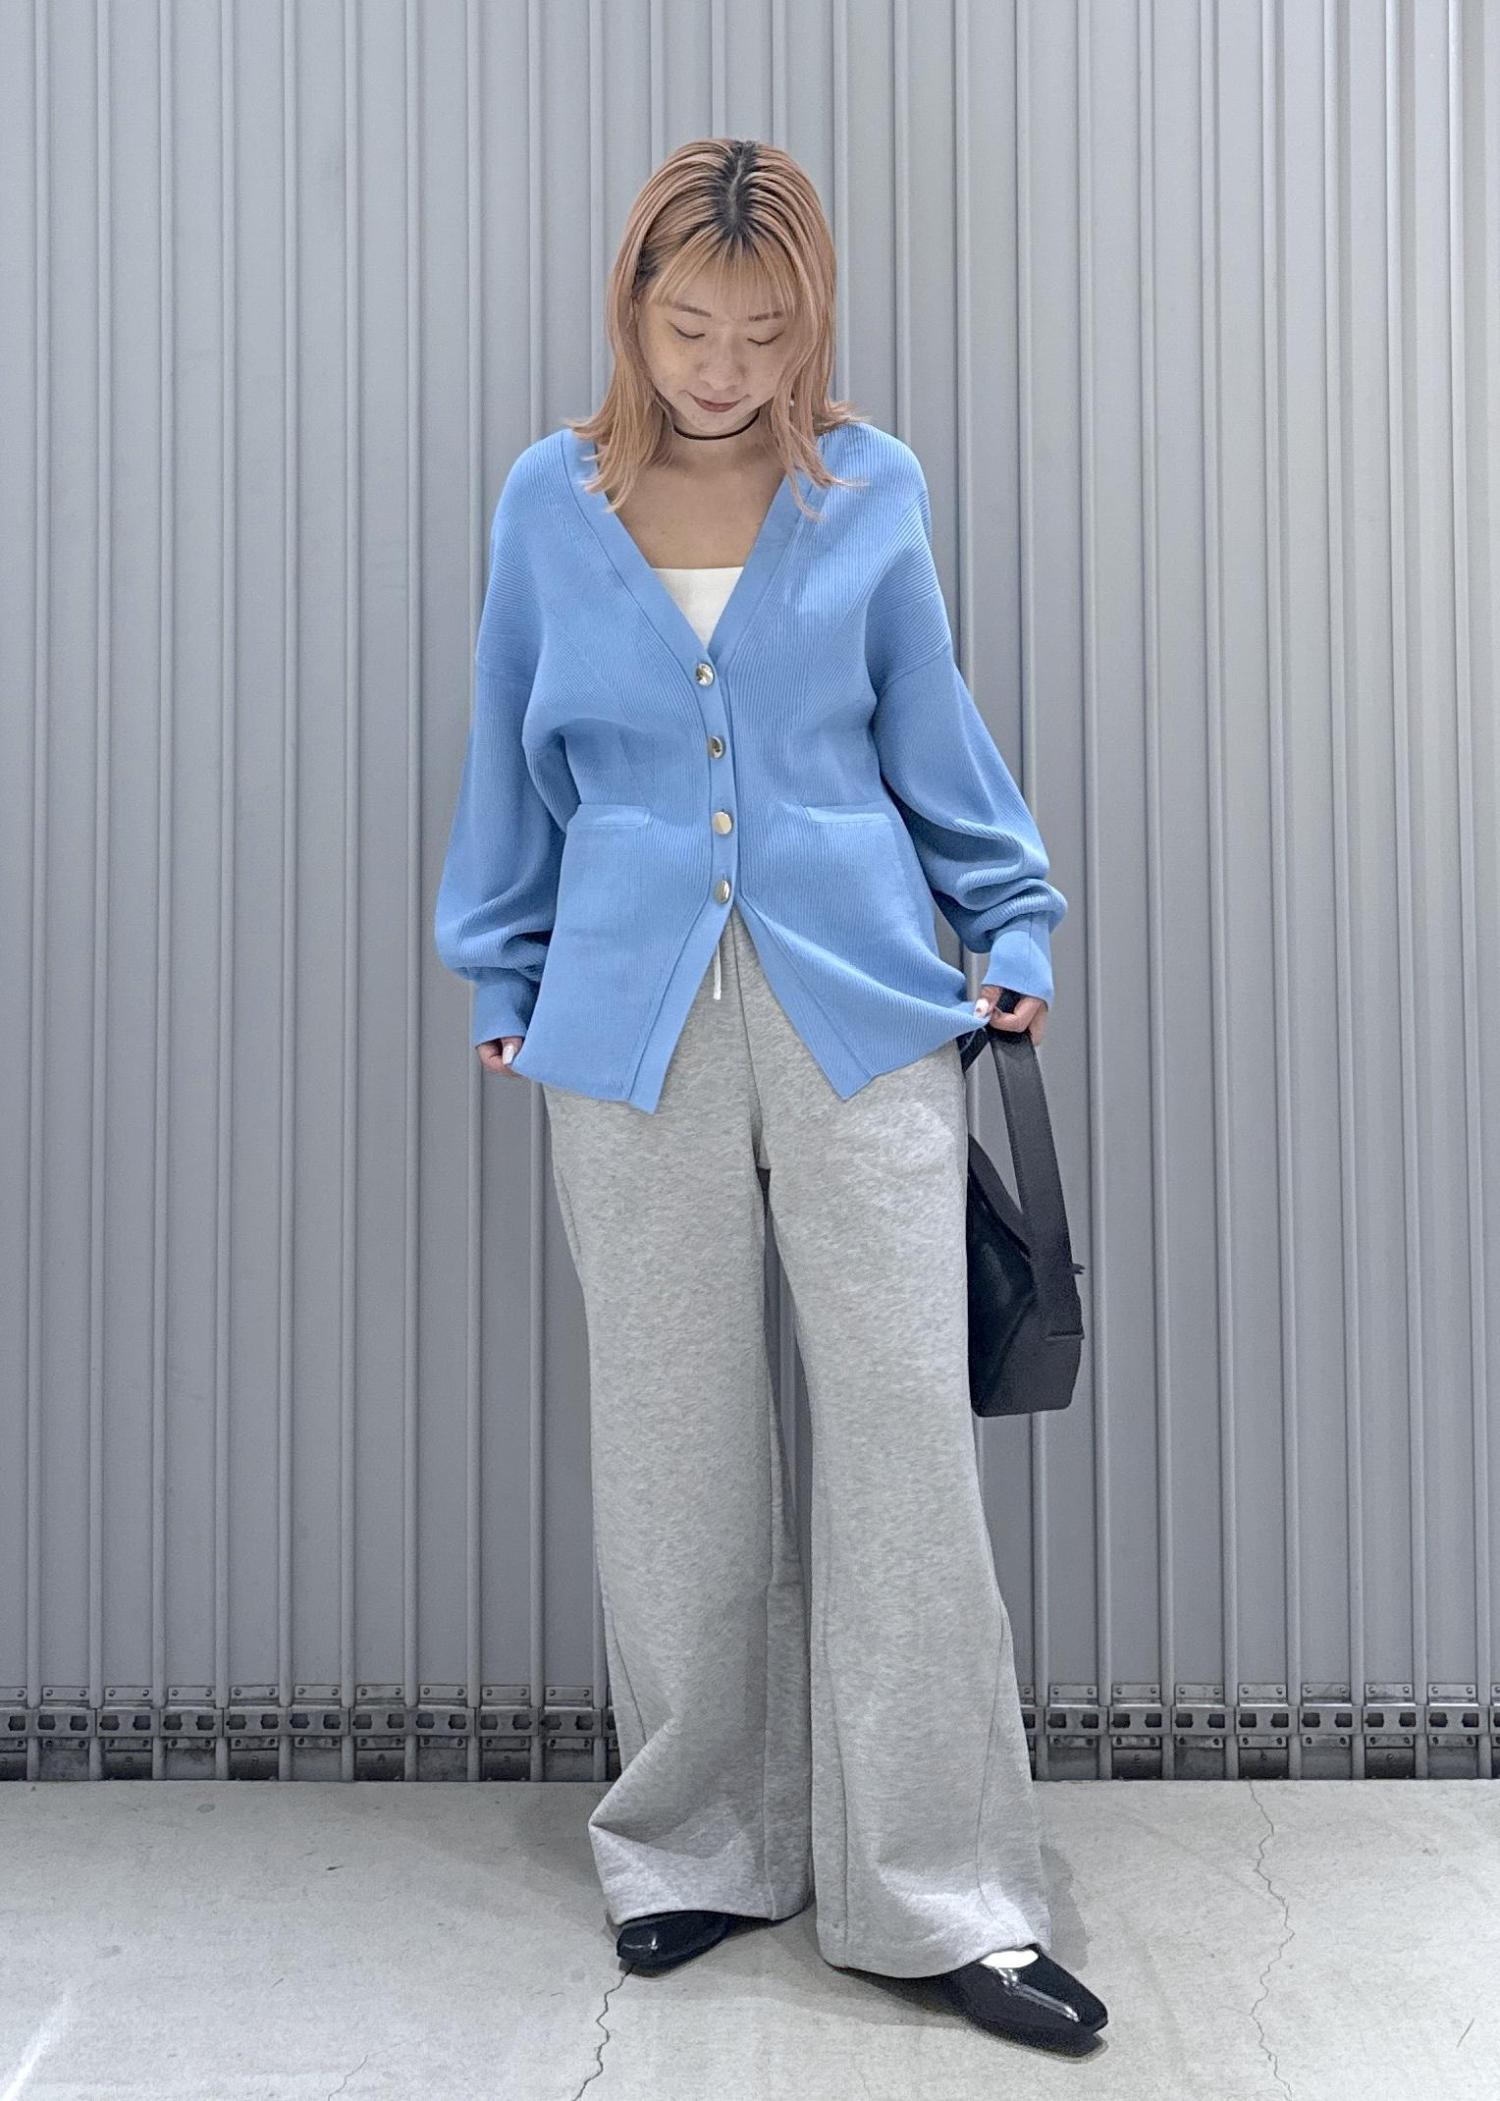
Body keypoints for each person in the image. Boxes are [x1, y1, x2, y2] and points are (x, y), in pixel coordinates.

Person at [434, 137, 1107, 2057]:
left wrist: (1010, 914)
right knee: (675, 1450)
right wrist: (501, 965)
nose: (723, 368)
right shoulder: (549, 500)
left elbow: (931, 724)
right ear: (632, 312)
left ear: (810, 324)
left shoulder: (869, 487)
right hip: (624, 1023)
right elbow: (508, 747)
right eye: (688, 327)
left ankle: (942, 1890)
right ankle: (695, 1843)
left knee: (902, 1445)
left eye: (761, 331)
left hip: (862, 1013)